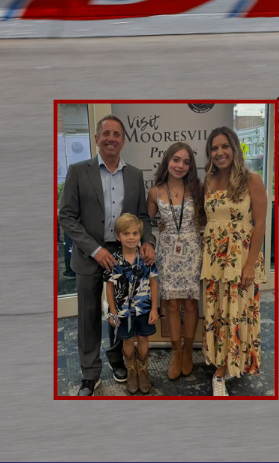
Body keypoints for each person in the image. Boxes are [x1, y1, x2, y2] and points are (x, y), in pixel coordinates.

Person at [59, 114, 155, 397]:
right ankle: (89, 374)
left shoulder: (135, 175)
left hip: (125, 257)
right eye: (106, 133)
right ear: (97, 138)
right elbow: (67, 216)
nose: (111, 138)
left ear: (123, 141)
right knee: (89, 315)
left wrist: (147, 241)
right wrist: (96, 249)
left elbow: (141, 217)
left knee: (121, 311)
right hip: (90, 255)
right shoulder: (79, 171)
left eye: (116, 134)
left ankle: (117, 360)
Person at [202, 126, 267, 396]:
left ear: (234, 148)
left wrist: (250, 264)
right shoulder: (208, 179)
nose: (219, 153)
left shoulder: (252, 179)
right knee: (216, 313)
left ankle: (226, 370)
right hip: (214, 259)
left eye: (224, 147)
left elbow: (261, 223)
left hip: (240, 258)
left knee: (237, 312)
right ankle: (220, 363)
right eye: (214, 148)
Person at [147, 142, 205, 380]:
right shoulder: (155, 191)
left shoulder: (197, 188)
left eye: (186, 161)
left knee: (190, 304)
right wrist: (157, 226)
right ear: (167, 161)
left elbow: (205, 219)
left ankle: (189, 352)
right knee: (171, 304)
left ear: (190, 166)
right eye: (176, 160)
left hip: (192, 249)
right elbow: (146, 220)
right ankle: (176, 352)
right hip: (168, 250)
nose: (180, 166)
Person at [105, 214, 159, 394]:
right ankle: (132, 372)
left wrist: (154, 309)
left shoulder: (146, 259)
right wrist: (113, 312)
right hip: (123, 312)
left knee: (143, 338)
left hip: (143, 309)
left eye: (135, 233)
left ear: (140, 235)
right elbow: (110, 288)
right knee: (127, 340)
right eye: (126, 233)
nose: (131, 237)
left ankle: (143, 372)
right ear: (118, 236)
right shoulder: (113, 261)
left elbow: (154, 283)